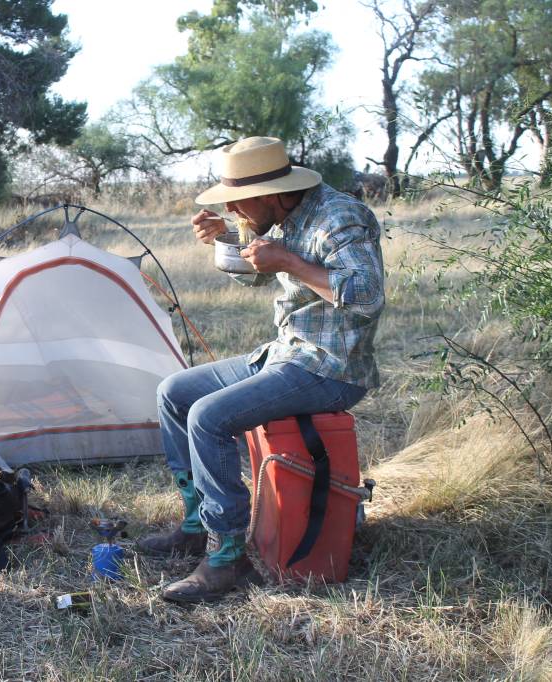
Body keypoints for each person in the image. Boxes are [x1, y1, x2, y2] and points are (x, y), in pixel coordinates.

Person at [138, 136, 385, 604]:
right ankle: (195, 523)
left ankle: (226, 552)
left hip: (330, 368)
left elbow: (367, 296)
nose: (232, 209)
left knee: (208, 417)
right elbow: (255, 269)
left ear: (271, 192)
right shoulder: (285, 214)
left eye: (237, 203)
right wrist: (228, 240)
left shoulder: (339, 218)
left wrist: (289, 261)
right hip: (287, 351)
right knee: (174, 392)